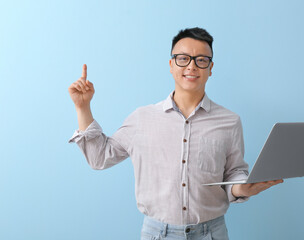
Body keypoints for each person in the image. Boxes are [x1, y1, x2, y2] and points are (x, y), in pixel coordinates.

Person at [68, 27, 283, 240]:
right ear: (171, 65)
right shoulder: (142, 118)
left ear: (211, 68)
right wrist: (83, 108)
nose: (191, 66)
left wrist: (242, 189)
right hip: (157, 234)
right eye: (183, 59)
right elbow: (99, 158)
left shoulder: (230, 121)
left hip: (212, 234)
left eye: (201, 60)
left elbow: (233, 173)